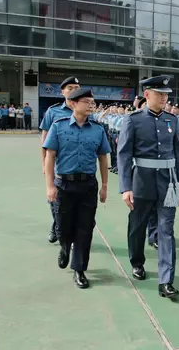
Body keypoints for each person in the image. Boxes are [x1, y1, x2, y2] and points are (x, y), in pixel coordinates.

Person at [117, 76, 179, 299]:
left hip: (168, 182)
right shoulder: (133, 120)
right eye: (159, 94)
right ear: (147, 95)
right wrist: (125, 187)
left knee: (166, 230)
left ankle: (166, 280)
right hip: (141, 182)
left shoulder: (172, 120)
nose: (164, 98)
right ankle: (137, 262)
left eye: (166, 94)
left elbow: (178, 153)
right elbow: (124, 154)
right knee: (137, 227)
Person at [43, 88, 110, 289]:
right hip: (64, 184)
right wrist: (50, 185)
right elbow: (50, 157)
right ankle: (65, 247)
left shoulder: (98, 129)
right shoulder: (58, 126)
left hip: (88, 185)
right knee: (63, 225)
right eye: (86, 102)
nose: (91, 105)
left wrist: (104, 185)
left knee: (85, 228)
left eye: (92, 102)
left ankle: (79, 269)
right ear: (73, 103)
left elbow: (103, 158)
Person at [39, 76, 81, 243]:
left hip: (78, 164)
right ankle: (57, 225)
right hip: (58, 164)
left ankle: (68, 230)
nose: (73, 90)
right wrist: (44, 164)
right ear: (62, 91)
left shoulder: (85, 109)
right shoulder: (53, 112)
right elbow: (44, 141)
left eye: (76, 87)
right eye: (69, 87)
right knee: (55, 198)